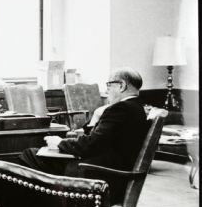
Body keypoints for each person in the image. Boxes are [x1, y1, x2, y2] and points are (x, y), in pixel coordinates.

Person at [18, 67, 149, 183]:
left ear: (122, 86)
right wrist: (96, 116)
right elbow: (100, 139)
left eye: (109, 84)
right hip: (112, 167)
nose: (106, 89)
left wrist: (59, 143)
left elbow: (91, 144)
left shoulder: (120, 109)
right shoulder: (137, 107)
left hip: (98, 170)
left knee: (30, 155)